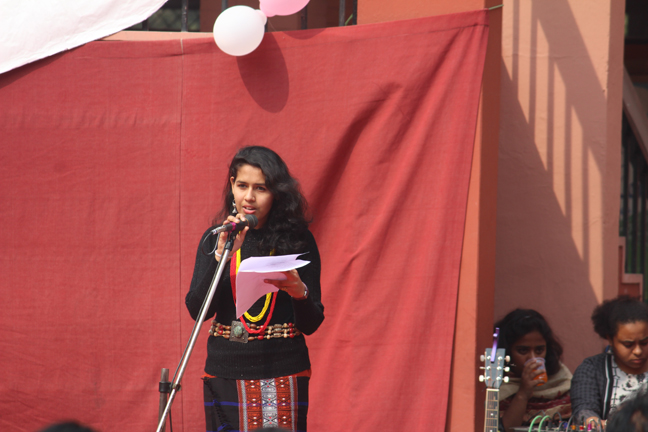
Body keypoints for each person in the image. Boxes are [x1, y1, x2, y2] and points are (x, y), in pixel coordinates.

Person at [185, 146, 324, 432]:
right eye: (242, 186)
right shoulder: (217, 238)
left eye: (260, 188)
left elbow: (312, 324)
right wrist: (221, 258)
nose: (249, 197)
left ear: (277, 193)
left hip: (285, 368)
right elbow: (197, 311)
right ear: (232, 186)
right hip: (226, 369)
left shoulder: (299, 240)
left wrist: (299, 293)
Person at [571, 296, 648, 426]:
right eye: (628, 345)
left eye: (645, 342)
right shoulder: (592, 370)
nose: (638, 351)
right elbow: (584, 411)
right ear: (610, 339)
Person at [494, 309, 572, 432]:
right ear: (508, 352)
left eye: (539, 350)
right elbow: (506, 429)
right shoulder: (496, 382)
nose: (533, 358)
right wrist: (523, 393)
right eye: (523, 350)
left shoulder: (560, 377)